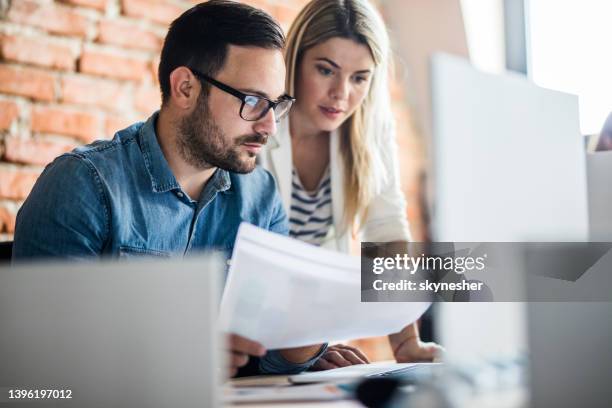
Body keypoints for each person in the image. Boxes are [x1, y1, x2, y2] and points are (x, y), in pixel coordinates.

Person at [12, 0, 326, 377]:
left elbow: (262, 359)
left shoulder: (261, 197)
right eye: (253, 101)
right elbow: (35, 369)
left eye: (277, 104)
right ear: (185, 88)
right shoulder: (82, 185)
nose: (270, 126)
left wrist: (300, 348)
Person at [259, 0, 443, 369]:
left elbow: (387, 235)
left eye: (360, 77)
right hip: (253, 337)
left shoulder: (371, 131)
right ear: (295, 60)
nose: (341, 93)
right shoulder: (258, 124)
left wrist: (406, 341)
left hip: (317, 343)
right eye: (326, 70)